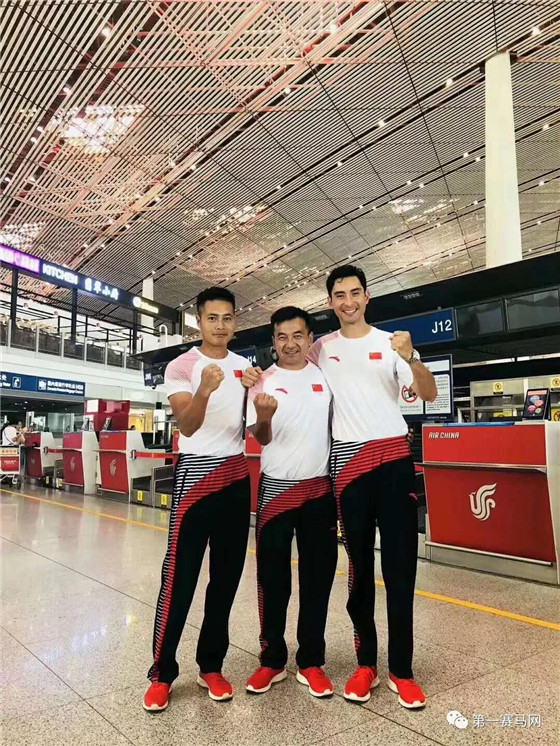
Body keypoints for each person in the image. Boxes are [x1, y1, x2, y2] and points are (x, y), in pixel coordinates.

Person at [244, 265, 437, 710]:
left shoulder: (392, 343)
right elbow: (287, 367)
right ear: (331, 302)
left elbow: (427, 393)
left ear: (367, 297)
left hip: (394, 461)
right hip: (348, 468)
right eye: (339, 295)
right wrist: (252, 378)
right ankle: (365, 664)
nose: (348, 301)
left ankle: (402, 670)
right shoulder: (321, 348)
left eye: (354, 293)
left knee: (401, 568)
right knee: (359, 571)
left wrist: (411, 357)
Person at [143, 287, 251, 712]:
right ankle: (161, 673)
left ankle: (211, 665)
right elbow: (187, 426)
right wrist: (204, 389)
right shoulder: (182, 366)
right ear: (199, 321)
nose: (220, 326)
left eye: (227, 318)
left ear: (235, 321)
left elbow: (256, 426)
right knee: (180, 576)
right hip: (195, 476)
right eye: (212, 318)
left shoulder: (245, 367)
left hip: (236, 476)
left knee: (226, 578)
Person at [244, 307, 338, 698]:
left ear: (309, 338)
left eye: (298, 335)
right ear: (273, 342)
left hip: (319, 490)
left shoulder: (325, 377)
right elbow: (261, 438)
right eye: (282, 337)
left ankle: (311, 661)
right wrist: (264, 417)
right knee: (273, 580)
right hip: (276, 491)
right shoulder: (261, 381)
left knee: (318, 579)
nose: (290, 343)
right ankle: (272, 660)